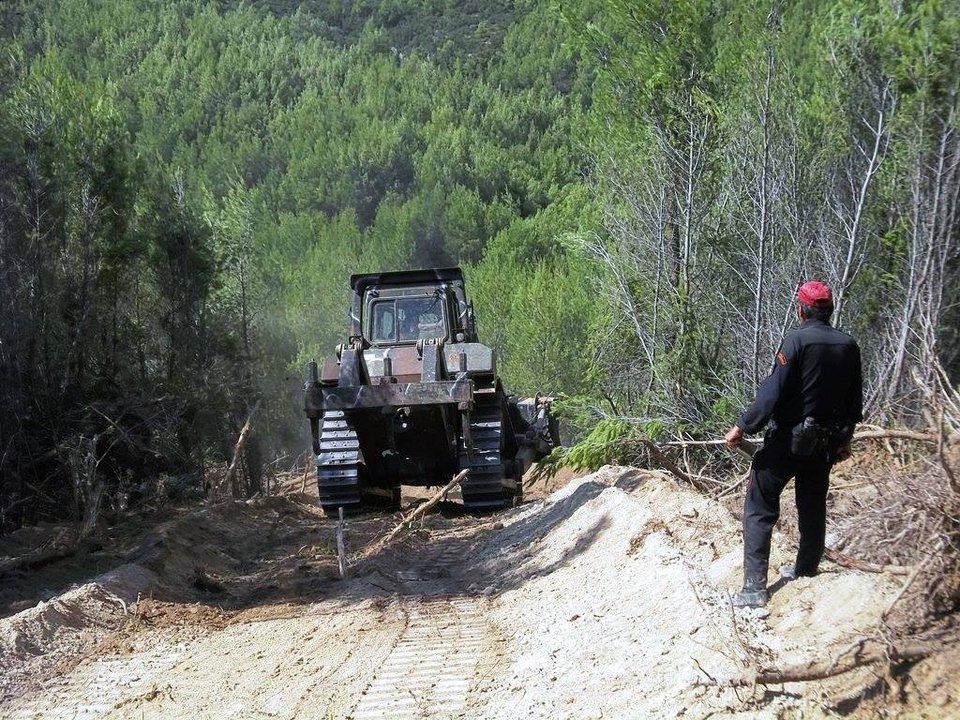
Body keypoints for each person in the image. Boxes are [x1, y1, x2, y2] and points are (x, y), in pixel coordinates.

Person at [724, 280, 863, 608]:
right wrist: (844, 440)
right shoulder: (849, 345)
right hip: (825, 444)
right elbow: (854, 402)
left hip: (787, 441)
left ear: (801, 309)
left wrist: (743, 426)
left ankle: (754, 590)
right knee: (812, 506)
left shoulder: (796, 341)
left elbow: (773, 391)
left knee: (759, 507)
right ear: (829, 309)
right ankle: (806, 569)